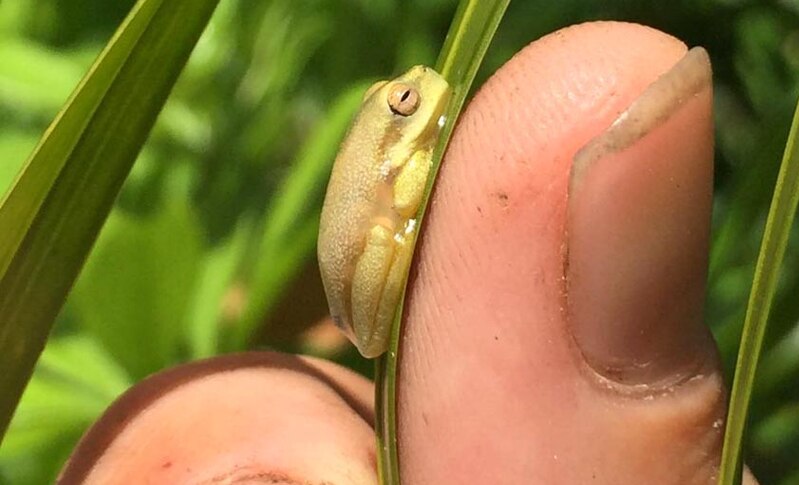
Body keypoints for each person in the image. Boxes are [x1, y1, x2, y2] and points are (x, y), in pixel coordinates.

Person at [58, 21, 759, 484]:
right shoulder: (401, 159)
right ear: (393, 123)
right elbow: (396, 198)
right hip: (368, 256)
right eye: (405, 100)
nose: (420, 98)